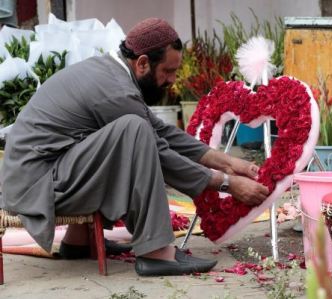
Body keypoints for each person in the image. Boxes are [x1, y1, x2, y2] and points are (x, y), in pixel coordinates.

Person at [0, 18, 269, 276]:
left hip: (39, 175)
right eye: (168, 71)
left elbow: (162, 131)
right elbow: (159, 151)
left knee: (137, 129)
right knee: (134, 130)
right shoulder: (115, 90)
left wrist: (229, 162)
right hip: (36, 186)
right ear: (142, 63)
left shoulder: (112, 74)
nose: (173, 80)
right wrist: (227, 184)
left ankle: (79, 242)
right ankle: (156, 252)